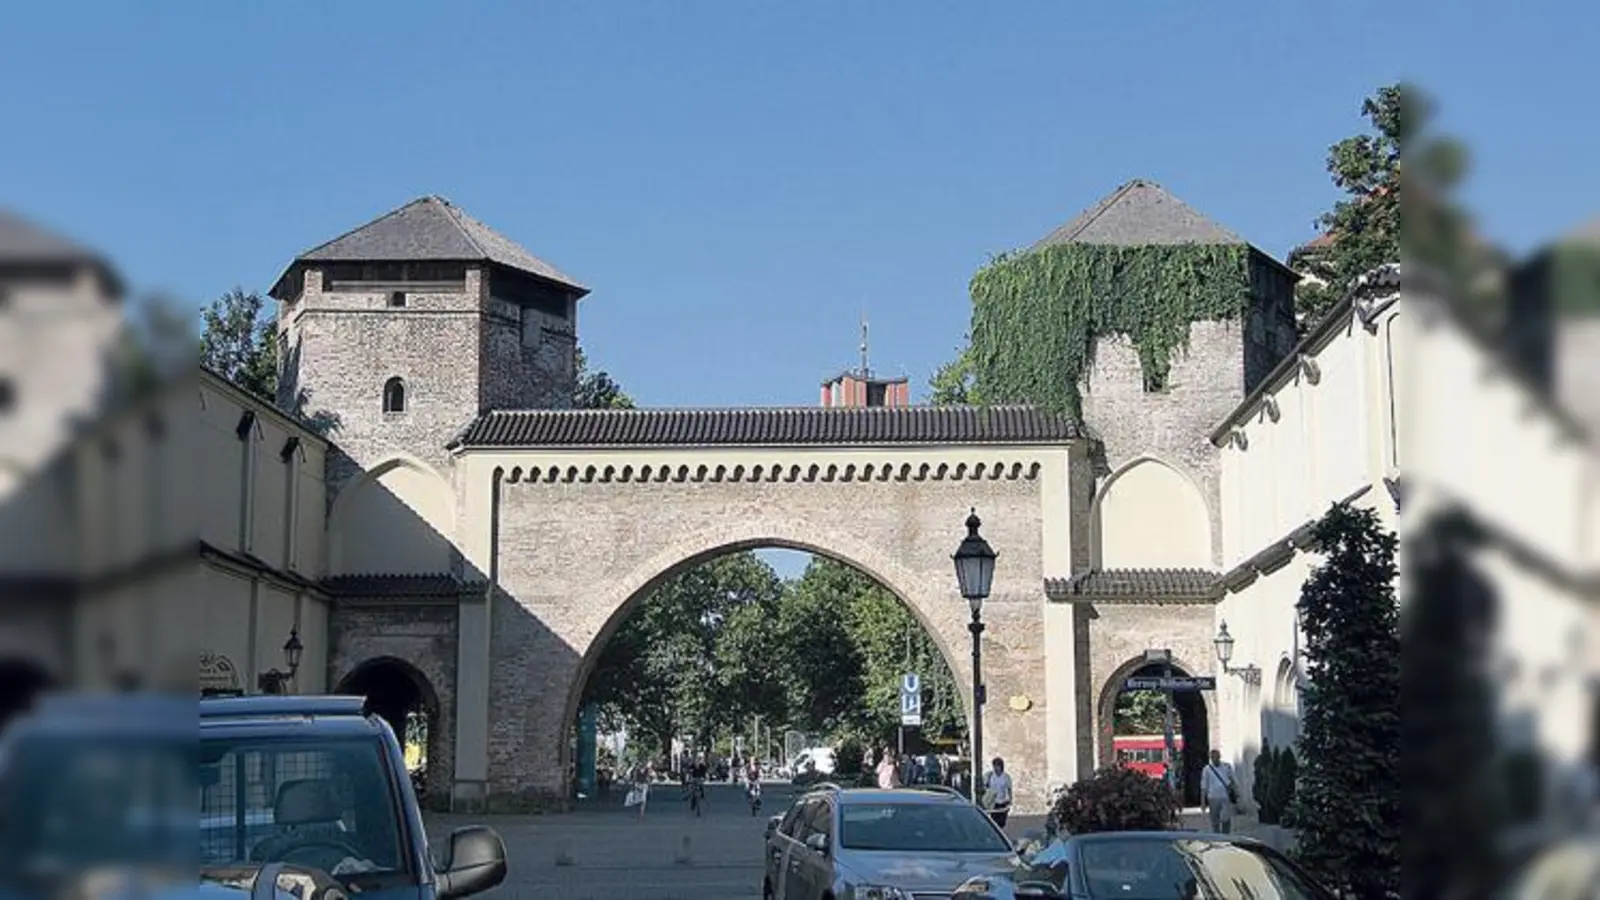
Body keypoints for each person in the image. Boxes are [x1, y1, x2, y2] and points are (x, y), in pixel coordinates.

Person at [1200, 749, 1238, 834]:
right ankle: (1217, 837)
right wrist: (1203, 801)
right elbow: (1204, 786)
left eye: (1216, 757)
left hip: (1225, 796)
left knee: (1226, 818)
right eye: (1213, 757)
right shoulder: (1207, 769)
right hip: (1213, 797)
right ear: (1211, 758)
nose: (1215, 759)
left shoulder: (1226, 766)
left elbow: (1233, 780)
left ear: (1219, 757)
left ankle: (1226, 836)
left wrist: (1235, 791)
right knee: (1215, 820)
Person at [983, 757, 1014, 828]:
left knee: (1002, 822)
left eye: (998, 766)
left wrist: (1010, 800)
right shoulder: (990, 775)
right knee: (994, 821)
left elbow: (1009, 789)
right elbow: (985, 787)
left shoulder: (1006, 777)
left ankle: (1000, 832)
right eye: (994, 766)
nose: (996, 768)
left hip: (1003, 802)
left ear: (1001, 767)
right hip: (993, 802)